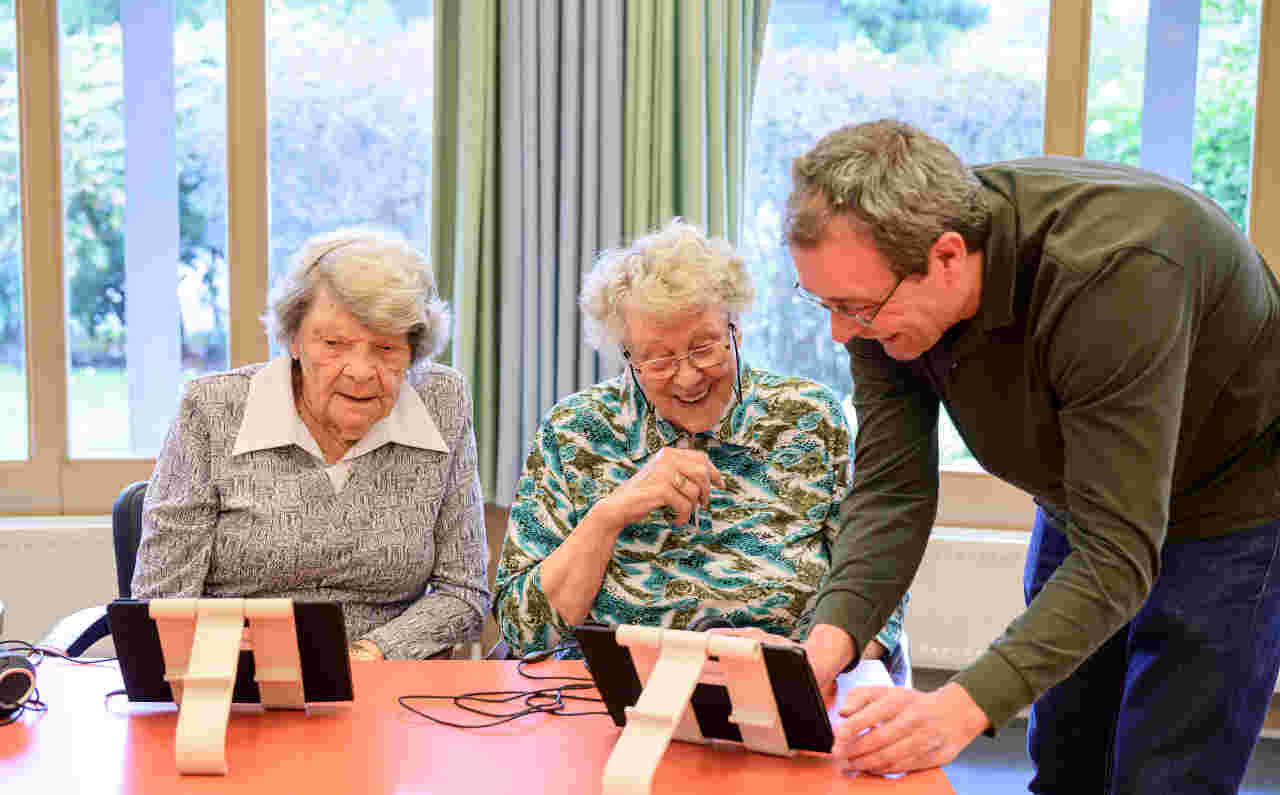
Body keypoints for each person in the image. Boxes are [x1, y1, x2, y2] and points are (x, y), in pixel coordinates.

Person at [786, 118, 1280, 792]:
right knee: (1068, 758)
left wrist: (957, 707)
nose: (844, 332)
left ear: (948, 257)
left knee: (1165, 774)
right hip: (1086, 488)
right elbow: (892, 490)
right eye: (826, 305)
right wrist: (826, 644)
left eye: (857, 308)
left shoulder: (1117, 276)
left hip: (1234, 500)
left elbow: (1118, 552)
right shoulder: (889, 292)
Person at [493, 219, 908, 682]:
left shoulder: (808, 416)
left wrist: (805, 660)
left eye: (705, 348)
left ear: (737, 330)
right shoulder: (577, 431)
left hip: (783, 685)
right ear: (627, 356)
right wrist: (609, 515)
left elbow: (878, 595)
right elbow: (521, 630)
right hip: (607, 696)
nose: (688, 377)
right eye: (658, 359)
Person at [132, 229, 490, 661]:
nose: (360, 370)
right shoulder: (212, 408)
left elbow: (464, 592)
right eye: (334, 344)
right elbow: (162, 601)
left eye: (385, 348)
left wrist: (369, 654)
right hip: (238, 682)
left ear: (413, 353)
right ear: (294, 338)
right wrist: (254, 663)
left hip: (390, 684)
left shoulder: (442, 402)